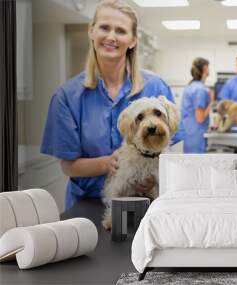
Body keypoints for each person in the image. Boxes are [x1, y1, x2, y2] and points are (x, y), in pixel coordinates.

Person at [40, 0, 183, 209]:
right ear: (91, 31)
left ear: (133, 40)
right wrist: (109, 163)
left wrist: (155, 178)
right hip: (88, 205)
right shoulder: (66, 96)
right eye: (104, 27)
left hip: (148, 204)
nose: (111, 37)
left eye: (121, 31)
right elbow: (68, 166)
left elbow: (171, 155)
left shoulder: (157, 88)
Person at [181, 58, 214, 153]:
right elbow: (200, 118)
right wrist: (212, 101)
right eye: (208, 67)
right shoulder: (200, 90)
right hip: (197, 138)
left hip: (190, 136)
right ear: (204, 68)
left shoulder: (190, 86)